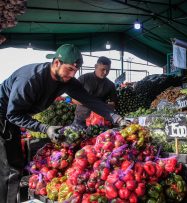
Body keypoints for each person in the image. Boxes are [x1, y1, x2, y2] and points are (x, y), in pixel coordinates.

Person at [0, 44, 126, 202]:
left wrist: (117, 118)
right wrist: (44, 128)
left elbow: (89, 100)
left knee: (16, 165)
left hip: (15, 116)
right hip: (3, 116)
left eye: (75, 70)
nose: (72, 74)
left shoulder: (67, 80)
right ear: (57, 63)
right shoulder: (31, 79)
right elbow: (13, 113)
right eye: (69, 69)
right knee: (9, 169)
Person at [73, 56, 117, 127]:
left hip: (99, 121)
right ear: (96, 66)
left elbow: (113, 103)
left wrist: (106, 106)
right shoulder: (84, 79)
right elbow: (73, 99)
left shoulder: (110, 85)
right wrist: (90, 103)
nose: (105, 72)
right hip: (81, 119)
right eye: (102, 69)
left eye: (108, 70)